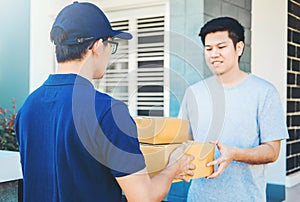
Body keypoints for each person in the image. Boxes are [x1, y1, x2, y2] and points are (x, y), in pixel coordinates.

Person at [15, 2, 195, 202]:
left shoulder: (28, 108)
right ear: (97, 46)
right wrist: (173, 168)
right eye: (111, 44)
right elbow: (143, 197)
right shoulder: (107, 112)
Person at [179, 17, 289, 201]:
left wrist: (235, 153)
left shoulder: (264, 92)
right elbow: (184, 142)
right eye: (208, 49)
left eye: (221, 47)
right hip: (199, 197)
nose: (214, 54)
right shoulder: (193, 93)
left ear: (239, 48)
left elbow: (272, 151)